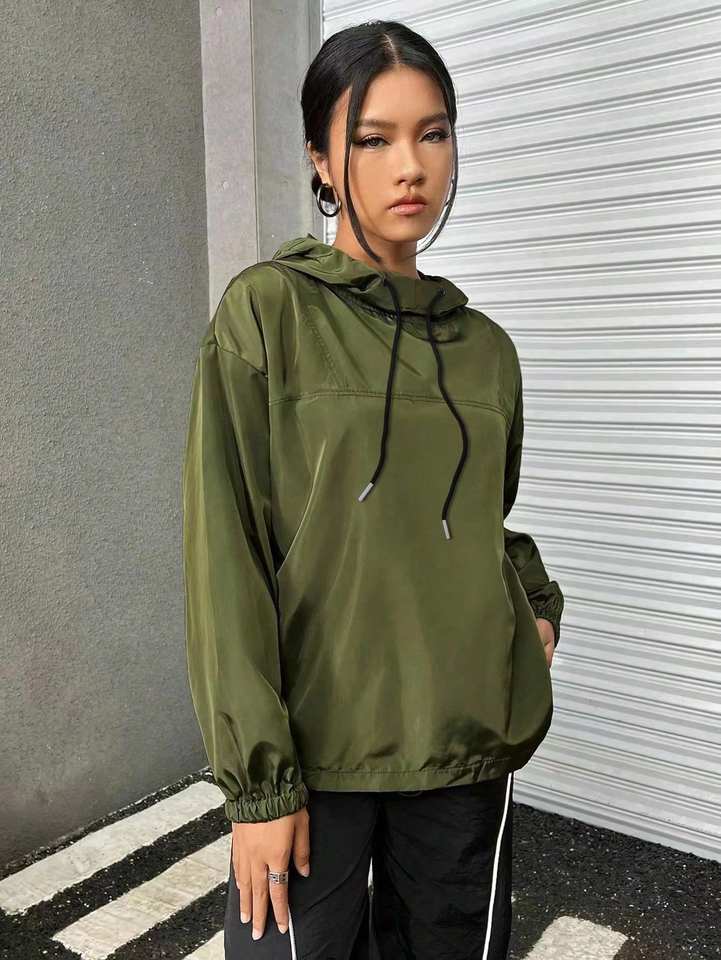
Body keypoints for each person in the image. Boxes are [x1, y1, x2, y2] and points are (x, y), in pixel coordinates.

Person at [182, 18, 565, 960]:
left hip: (460, 746)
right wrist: (258, 790)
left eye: (432, 133)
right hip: (315, 758)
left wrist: (533, 603)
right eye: (372, 138)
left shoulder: (484, 351)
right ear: (320, 159)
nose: (409, 166)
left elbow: (482, 518)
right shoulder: (266, 313)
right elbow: (226, 555)